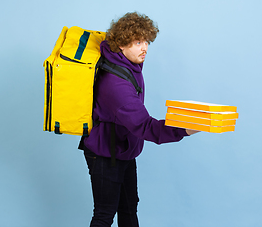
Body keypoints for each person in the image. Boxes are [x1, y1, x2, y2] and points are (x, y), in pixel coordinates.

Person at [80, 12, 198, 227]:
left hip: (124, 149)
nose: (144, 47)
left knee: (128, 208)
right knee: (104, 215)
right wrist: (186, 128)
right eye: (137, 42)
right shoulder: (116, 85)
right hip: (105, 154)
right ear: (121, 45)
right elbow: (145, 126)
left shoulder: (127, 65)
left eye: (145, 41)